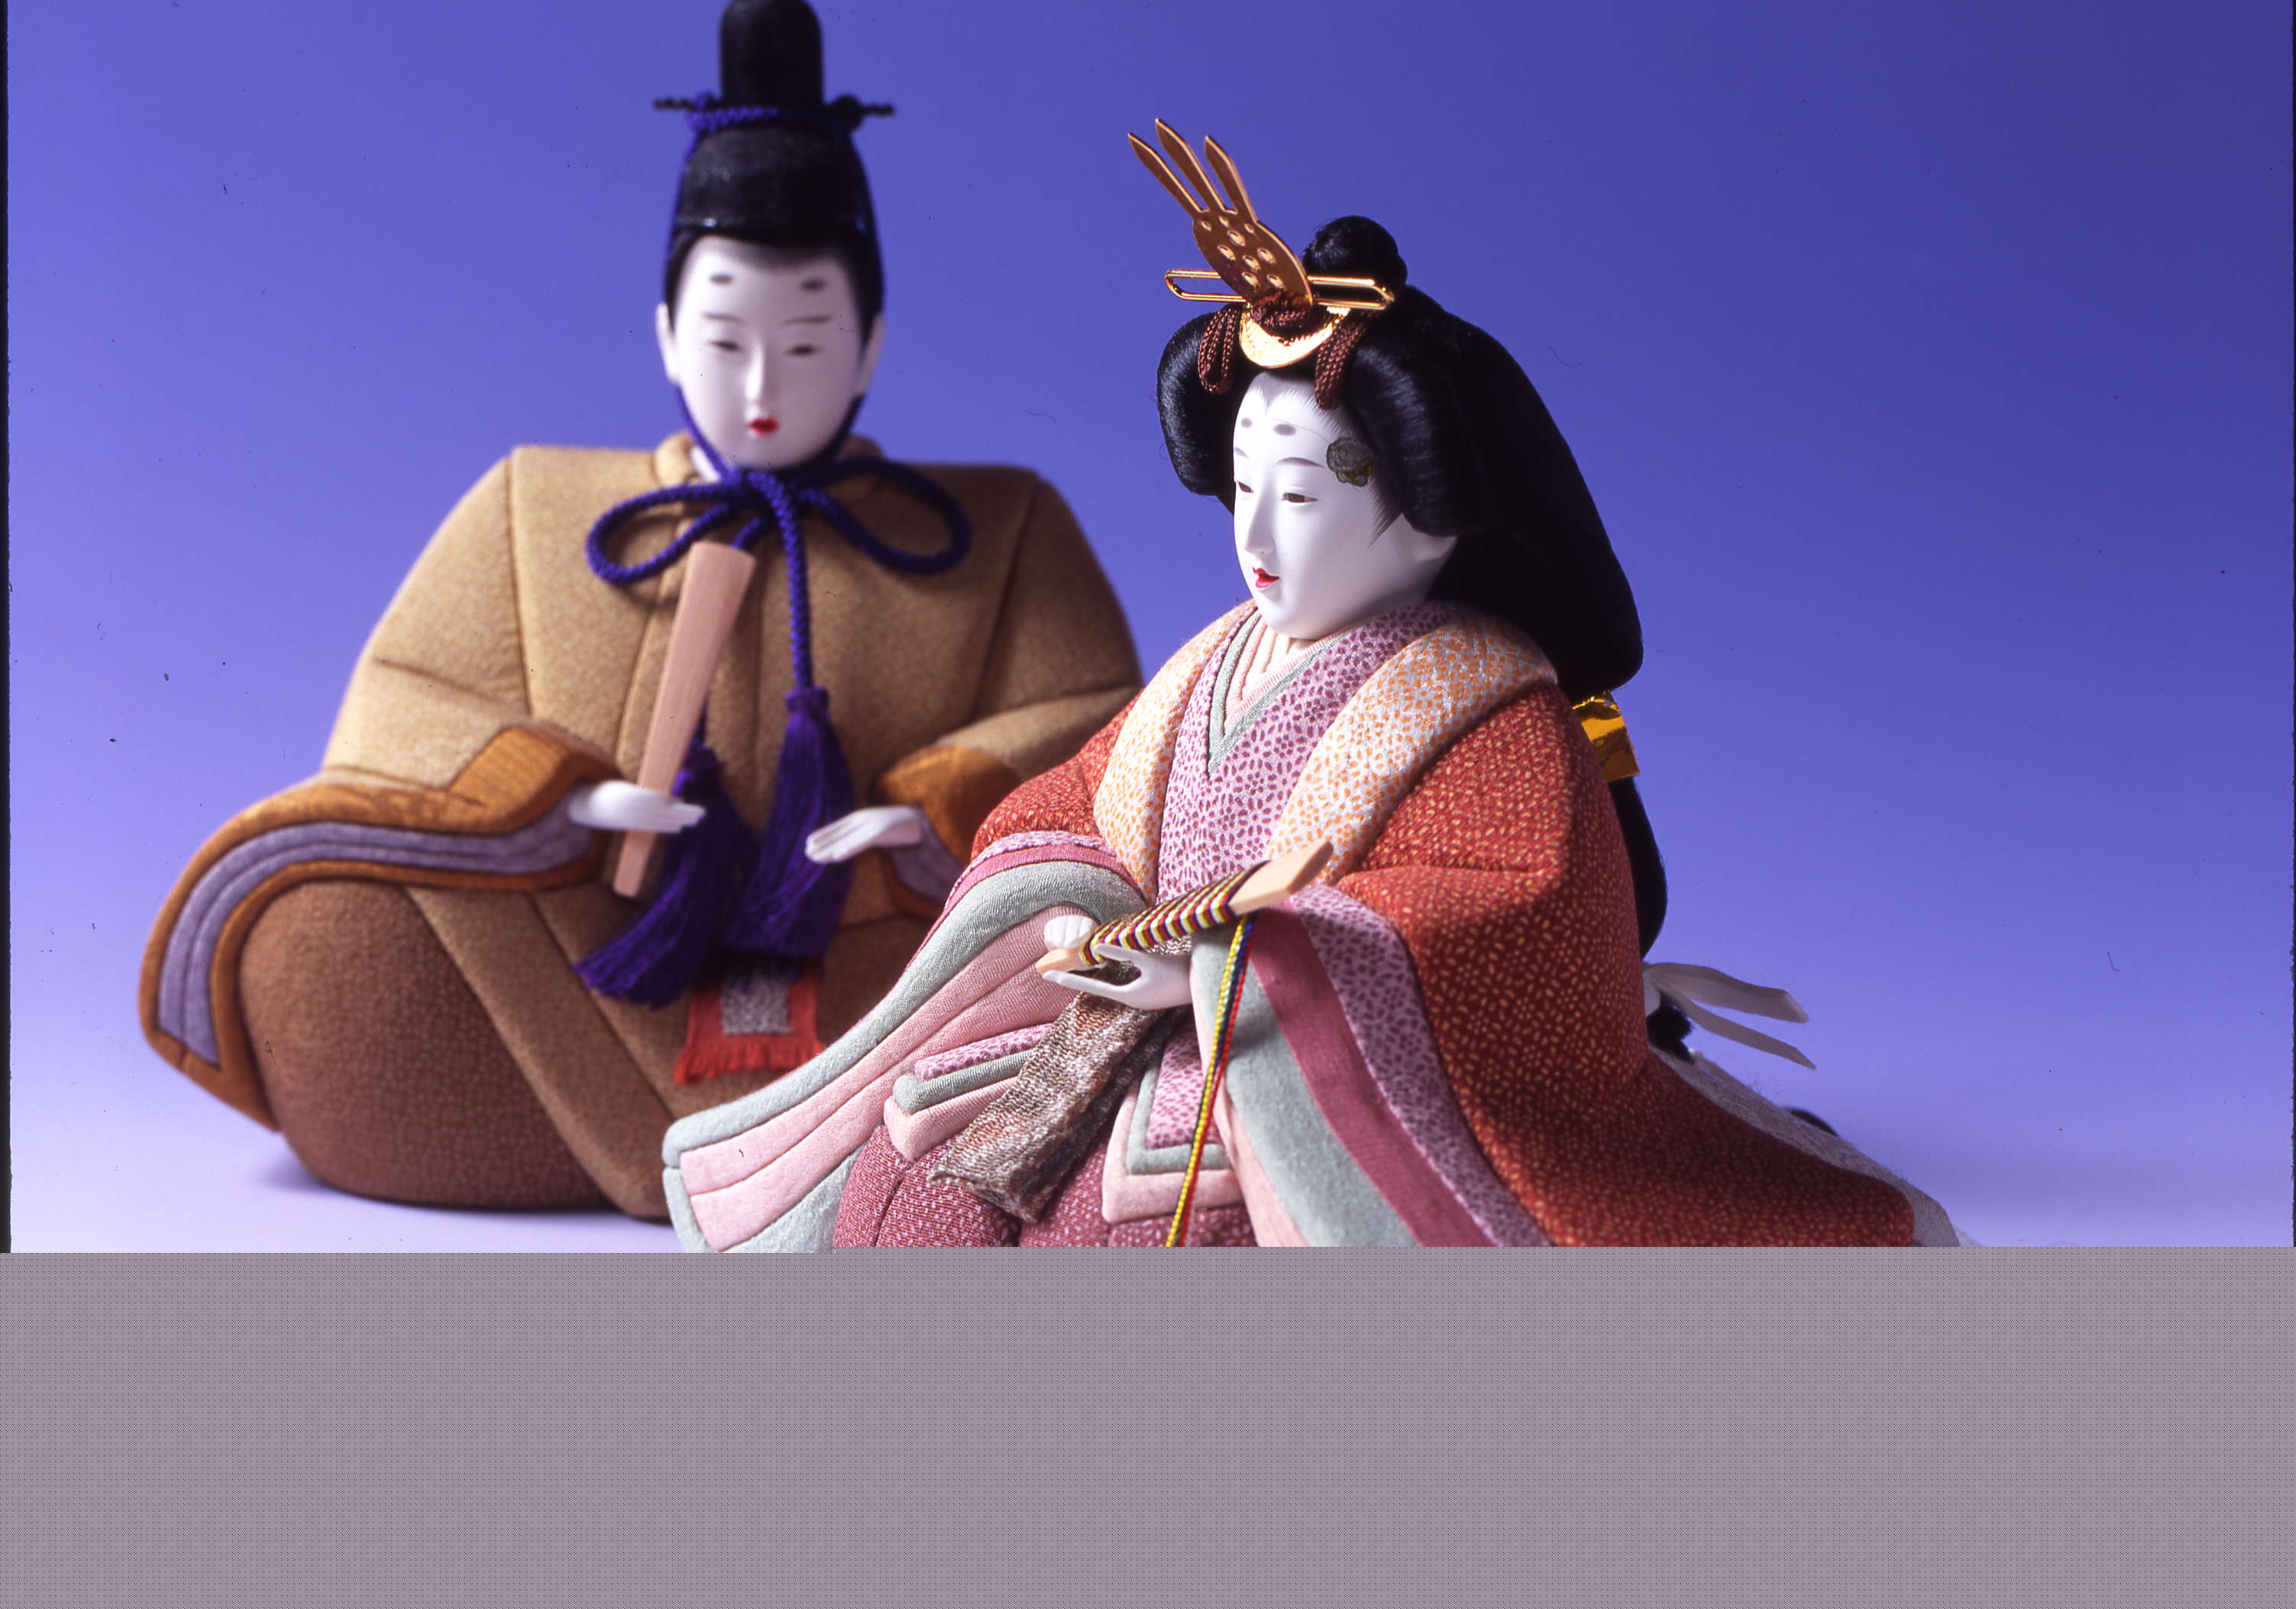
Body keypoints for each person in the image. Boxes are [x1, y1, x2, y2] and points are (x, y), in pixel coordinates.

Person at [656, 125, 1967, 1248]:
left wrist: (1232, 965)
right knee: (909, 1166)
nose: (1252, 538)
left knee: (1112, 1231)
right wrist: (1072, 916)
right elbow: (1075, 809)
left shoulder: (1489, 704)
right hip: (1134, 1026)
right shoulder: (1209, 664)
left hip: (1287, 1074)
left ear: (1428, 515)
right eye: (1239, 489)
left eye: (1294, 497)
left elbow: (1509, 912)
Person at [137, 0, 1140, 1221]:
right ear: (665, 336)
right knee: (325, 945)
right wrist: (557, 802)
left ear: (871, 345)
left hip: (872, 953)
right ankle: (766, 1159)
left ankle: (807, 1147)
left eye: (806, 344)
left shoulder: (997, 526)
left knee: (1080, 968)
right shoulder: (535, 502)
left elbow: (1102, 727)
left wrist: (930, 817)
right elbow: (405, 702)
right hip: (597, 940)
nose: (762, 385)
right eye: (723, 341)